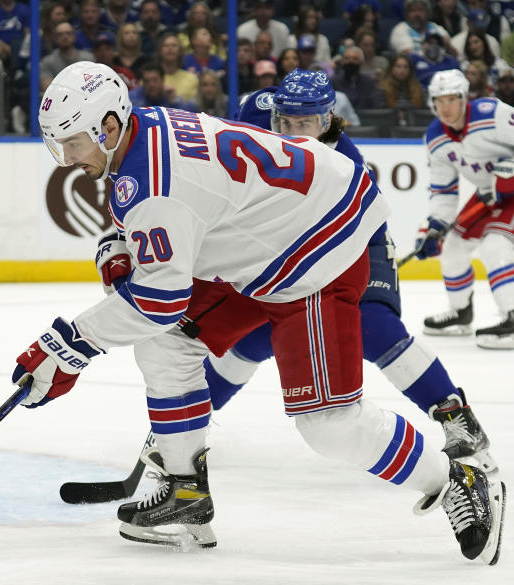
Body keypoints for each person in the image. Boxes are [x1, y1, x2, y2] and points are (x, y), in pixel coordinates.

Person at [20, 61, 505, 563]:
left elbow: (159, 299)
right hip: (266, 249)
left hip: (317, 255)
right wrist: (121, 248)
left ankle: (456, 479)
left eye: (72, 142)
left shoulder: (152, 181)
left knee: (330, 425)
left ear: (109, 127)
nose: (65, 158)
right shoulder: (144, 128)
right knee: (168, 343)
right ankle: (186, 494)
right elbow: (178, 222)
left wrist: (67, 344)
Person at [205, 69, 496, 487]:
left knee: (375, 327)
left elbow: (335, 240)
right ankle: (188, 420)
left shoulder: (343, 164)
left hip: (355, 242)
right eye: (287, 122)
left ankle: (456, 417)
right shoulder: (256, 114)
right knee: (250, 337)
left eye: (307, 124)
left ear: (328, 120)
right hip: (286, 249)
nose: (295, 132)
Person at [414, 69, 514, 349]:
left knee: (496, 244)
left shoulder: (491, 113)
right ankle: (461, 312)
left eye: (451, 99)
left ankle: (512, 315)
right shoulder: (436, 137)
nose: (445, 108)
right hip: (490, 194)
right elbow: (444, 190)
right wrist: (435, 226)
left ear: (464, 97)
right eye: (439, 101)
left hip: (510, 191)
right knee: (454, 245)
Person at [40, 21, 94, 91]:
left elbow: (94, 85)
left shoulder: (88, 59)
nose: (65, 37)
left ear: (74, 36)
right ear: (55, 38)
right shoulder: (47, 62)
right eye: (60, 34)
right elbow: (47, 88)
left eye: (68, 33)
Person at [127, 63, 196, 110]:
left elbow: (189, 112)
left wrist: (174, 100)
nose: (151, 84)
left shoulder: (168, 95)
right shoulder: (132, 98)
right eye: (147, 81)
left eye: (155, 80)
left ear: (162, 80)